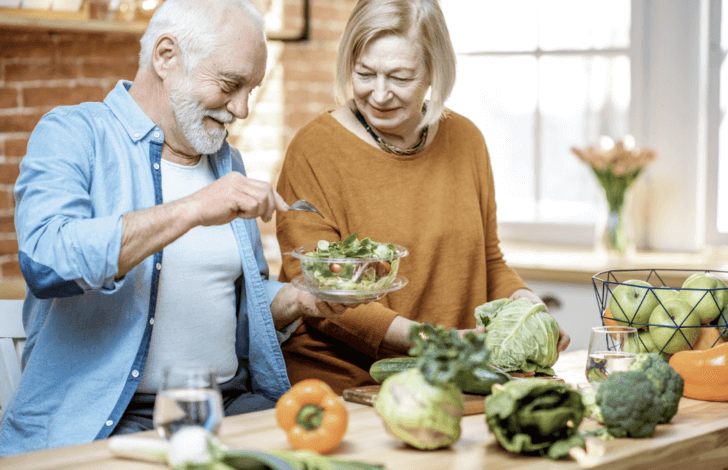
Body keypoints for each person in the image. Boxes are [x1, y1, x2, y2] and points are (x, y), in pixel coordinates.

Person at [0, 0, 348, 456]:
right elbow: (47, 262)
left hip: (232, 406)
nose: (242, 109)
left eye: (252, 89)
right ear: (166, 56)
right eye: (230, 84)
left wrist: (300, 299)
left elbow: (230, 305)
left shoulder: (227, 162)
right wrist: (193, 208)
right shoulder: (74, 133)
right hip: (110, 421)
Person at [274, 0, 571, 396]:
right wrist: (436, 341)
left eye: (400, 77)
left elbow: (488, 260)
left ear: (435, 72)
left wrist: (528, 308)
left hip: (451, 377)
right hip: (348, 386)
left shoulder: (466, 140)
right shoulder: (314, 148)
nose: (379, 94)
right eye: (364, 73)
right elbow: (318, 289)